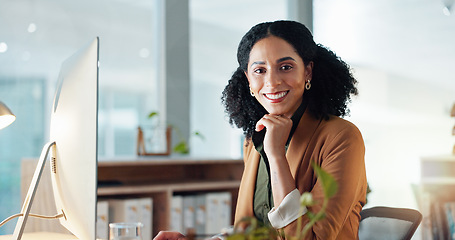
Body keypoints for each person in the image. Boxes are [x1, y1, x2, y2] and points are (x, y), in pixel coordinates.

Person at [154, 20, 367, 240]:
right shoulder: (253, 139)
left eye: (285, 67)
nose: (272, 82)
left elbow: (312, 237)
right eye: (259, 70)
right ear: (248, 79)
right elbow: (251, 233)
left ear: (308, 71)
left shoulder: (342, 137)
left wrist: (275, 155)